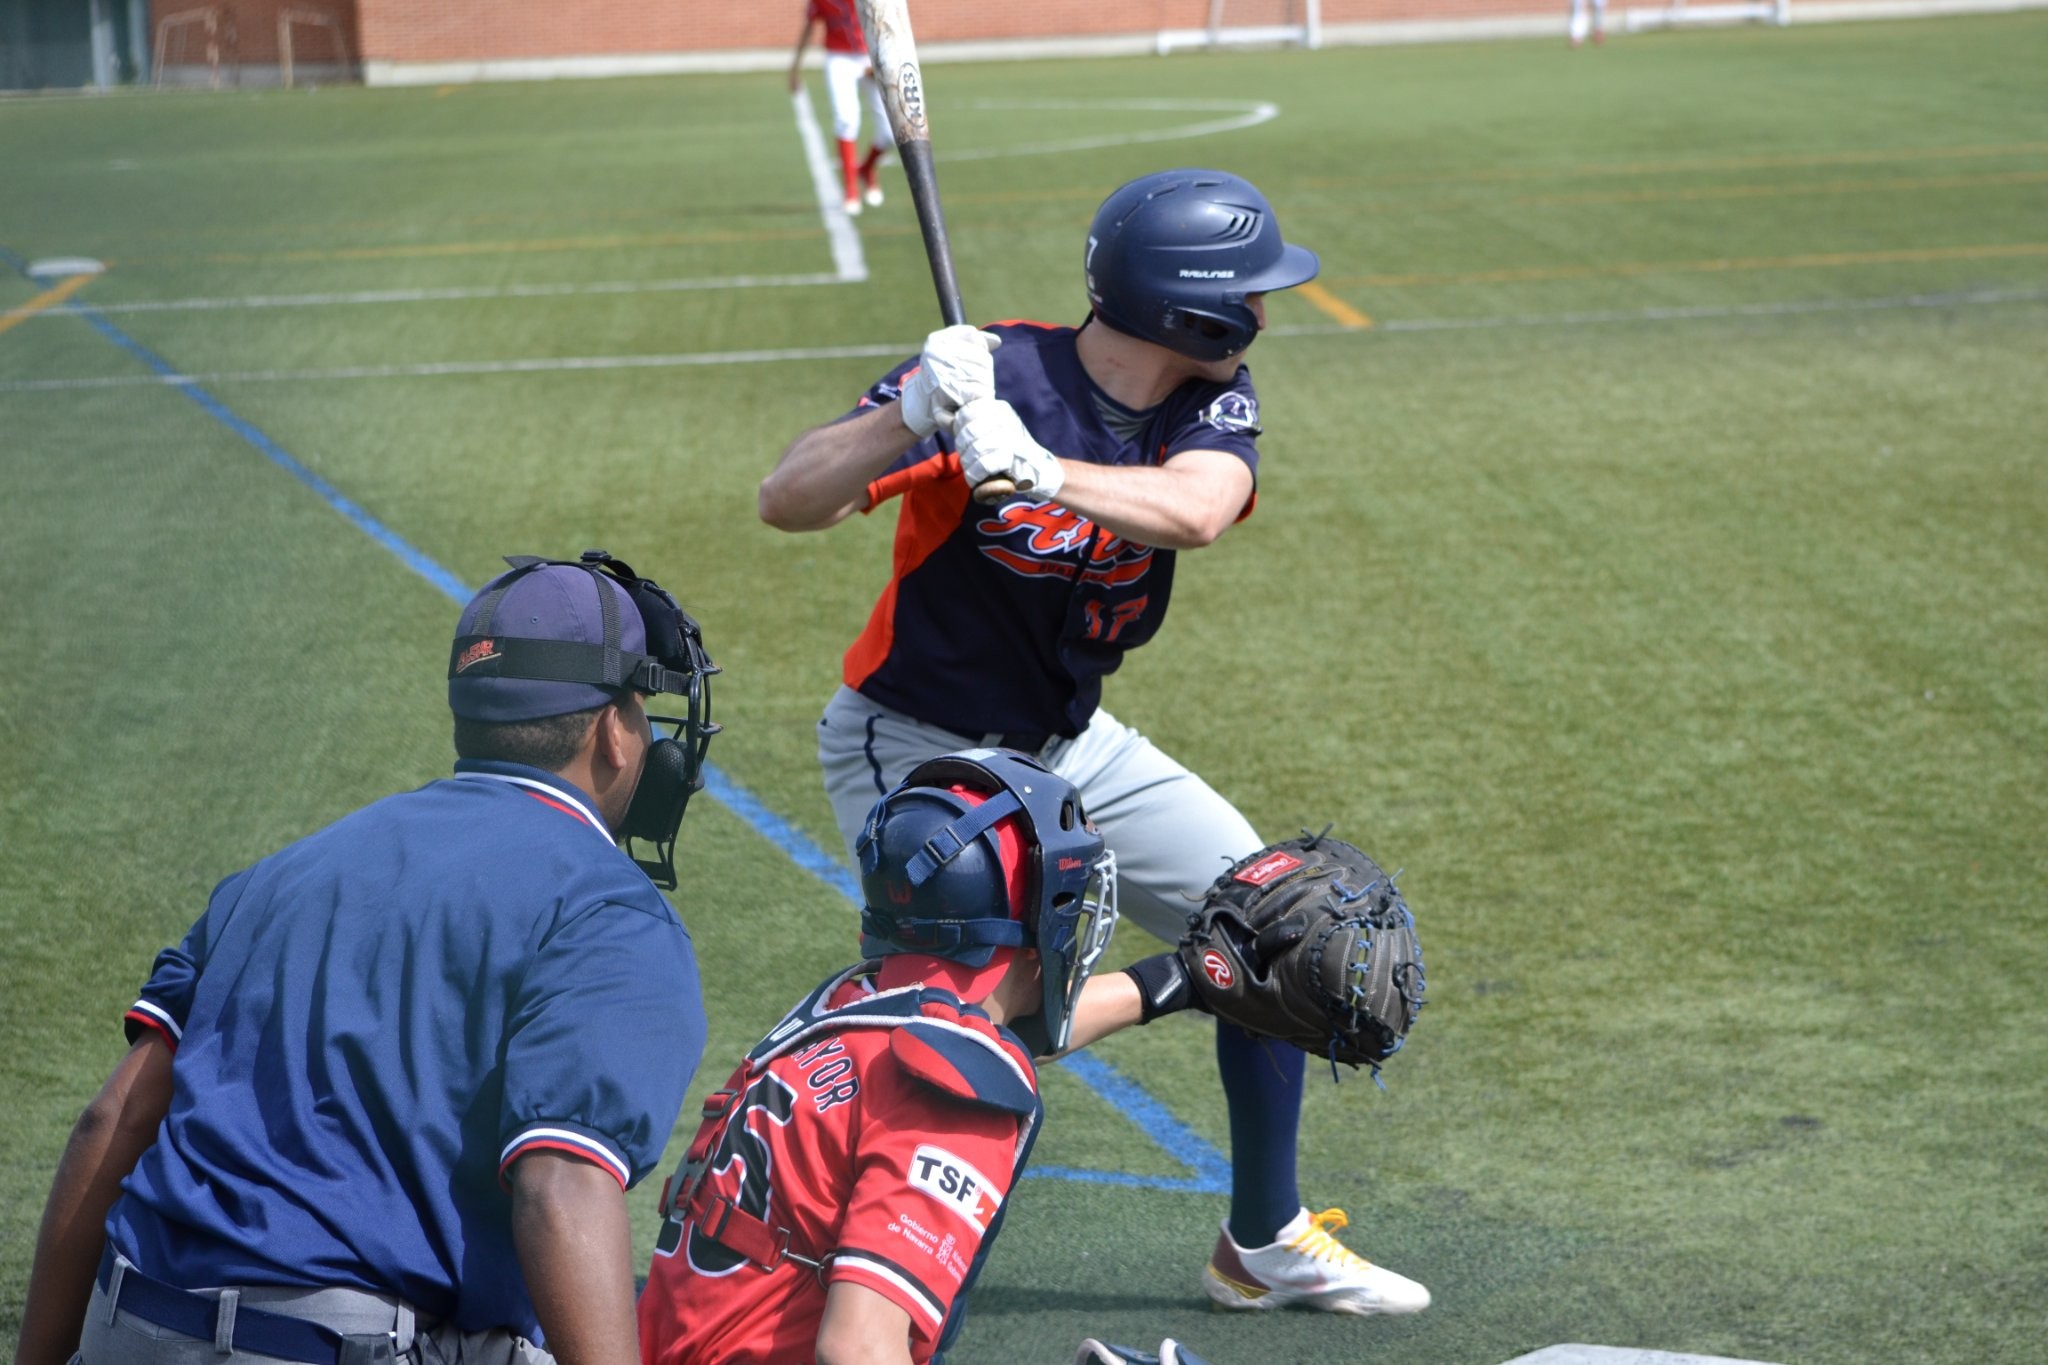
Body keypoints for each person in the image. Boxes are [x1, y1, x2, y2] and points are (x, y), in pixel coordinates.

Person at [755, 167, 1431, 1317]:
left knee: (1272, 908)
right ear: (1190, 309)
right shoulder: (990, 374)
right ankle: (848, 1263)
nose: (1265, 316)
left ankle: (1261, 1242)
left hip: (1070, 745)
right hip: (920, 752)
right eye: (1252, 296)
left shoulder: (1204, 400)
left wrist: (1039, 468)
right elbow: (786, 499)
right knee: (979, 1011)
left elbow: (1198, 509)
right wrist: (910, 412)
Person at [15, 550, 721, 1365]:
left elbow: (115, 1117)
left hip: (130, 1324)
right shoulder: (609, 911)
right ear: (614, 732)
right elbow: (560, 1190)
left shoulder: (283, 871)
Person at [637, 748, 1209, 1365]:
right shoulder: (954, 1089)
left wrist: (1171, 982)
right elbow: (857, 1348)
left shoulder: (850, 1003)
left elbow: (998, 1035)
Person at [788, 0, 890, 215]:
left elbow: (885, 22)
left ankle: (866, 169)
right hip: (840, 58)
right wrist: (795, 67)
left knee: (890, 131)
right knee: (846, 119)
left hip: (869, 54)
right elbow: (810, 25)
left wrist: (880, 60)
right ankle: (850, 189)